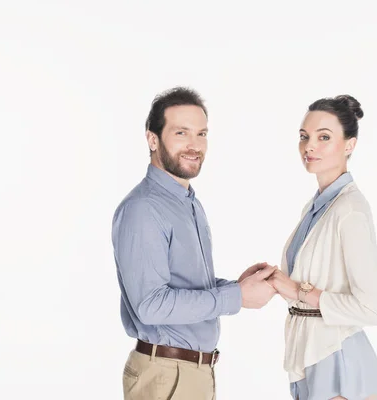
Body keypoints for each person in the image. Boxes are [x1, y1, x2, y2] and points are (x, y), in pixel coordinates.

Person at [112, 86, 277, 400]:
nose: (194, 145)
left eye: (201, 134)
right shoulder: (144, 209)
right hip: (167, 376)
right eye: (181, 133)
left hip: (191, 373)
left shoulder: (187, 202)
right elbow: (151, 305)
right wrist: (236, 298)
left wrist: (237, 286)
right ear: (152, 139)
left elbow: (182, 283)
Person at [267, 95, 377, 400]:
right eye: (304, 136)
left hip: (338, 358)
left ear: (349, 145)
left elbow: (375, 308)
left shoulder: (349, 210)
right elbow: (309, 286)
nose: (310, 146)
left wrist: (298, 291)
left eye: (324, 137)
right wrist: (273, 282)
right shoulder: (316, 207)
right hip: (310, 353)